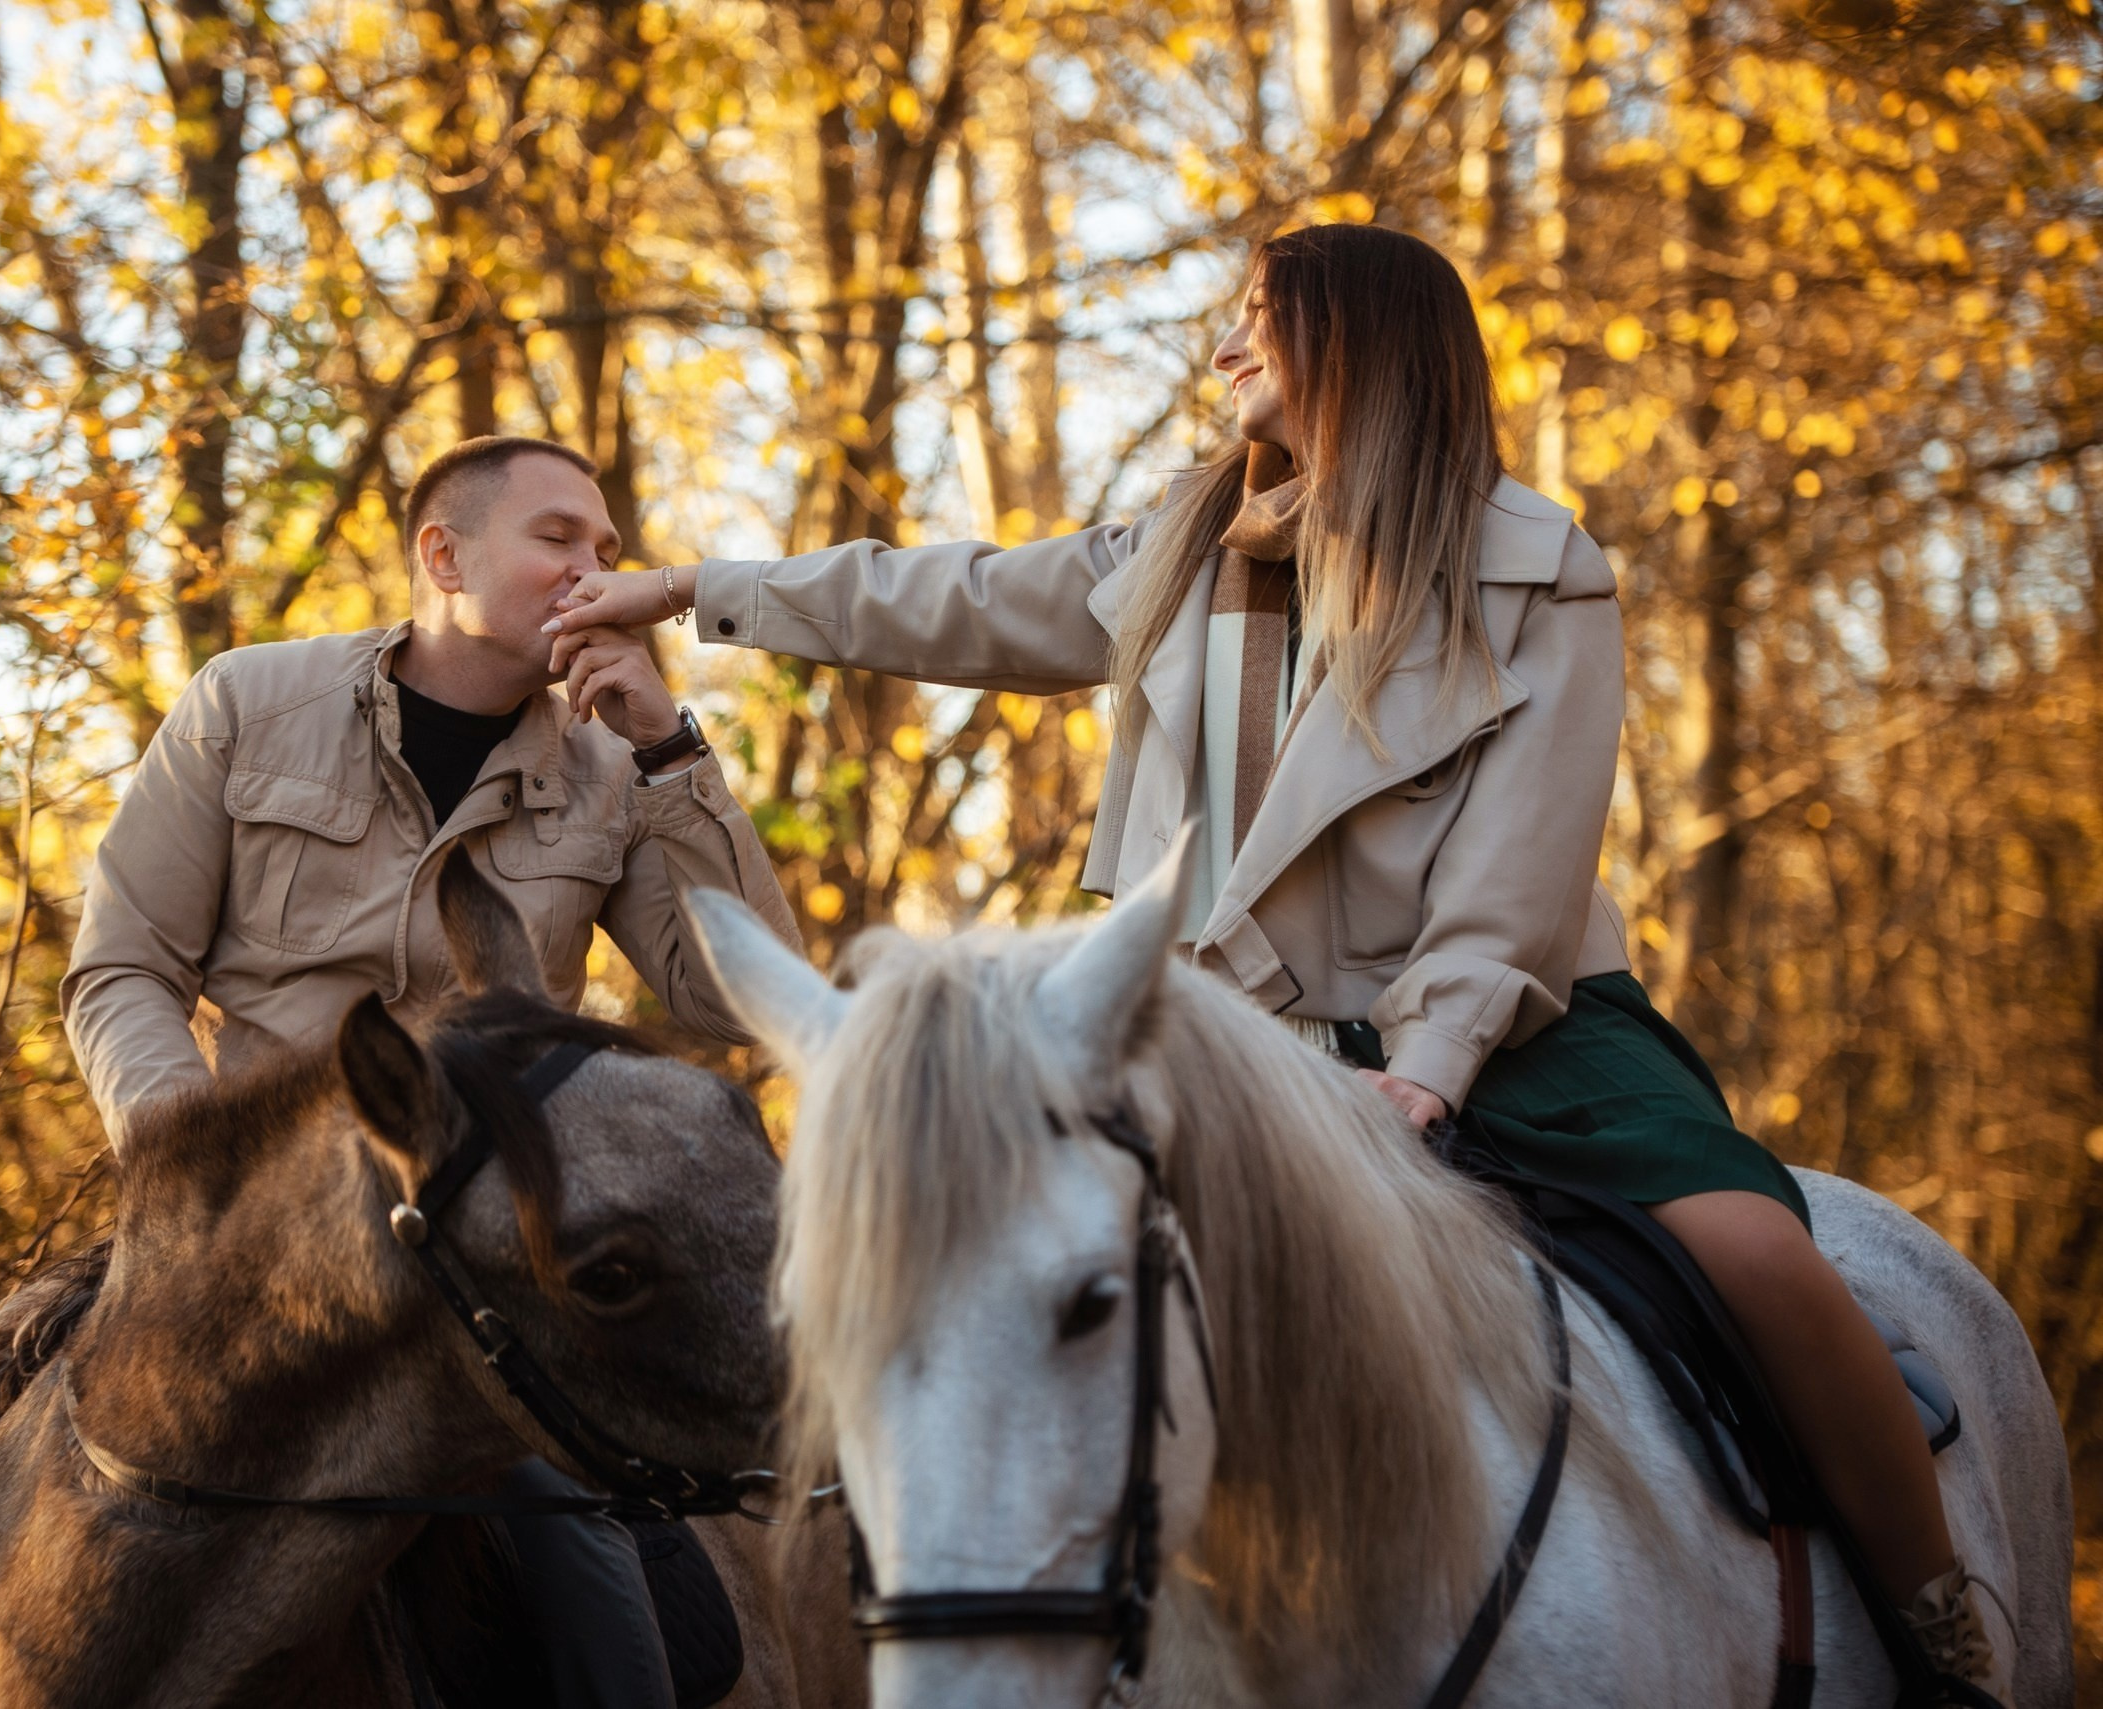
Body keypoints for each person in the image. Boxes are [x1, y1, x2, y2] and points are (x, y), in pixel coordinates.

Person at [547, 224, 2005, 1702]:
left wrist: (1427, 1073)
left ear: (1361, 340)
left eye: (1260, 319)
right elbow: (954, 594)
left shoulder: (1540, 571)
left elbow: (1519, 871)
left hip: (1500, 1036)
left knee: (1763, 1255)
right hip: (1226, 1044)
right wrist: (691, 592)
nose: (1228, 348)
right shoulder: (1183, 543)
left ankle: (1938, 1618)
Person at [0, 435, 799, 1709]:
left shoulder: (611, 768)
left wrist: (672, 752)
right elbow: (120, 970)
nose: (597, 568)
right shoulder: (244, 703)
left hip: (479, 1271)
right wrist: (205, 1206)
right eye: (559, 536)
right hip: (228, 1236)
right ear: (441, 555)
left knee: (620, 1620)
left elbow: (748, 998)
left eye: (609, 550)